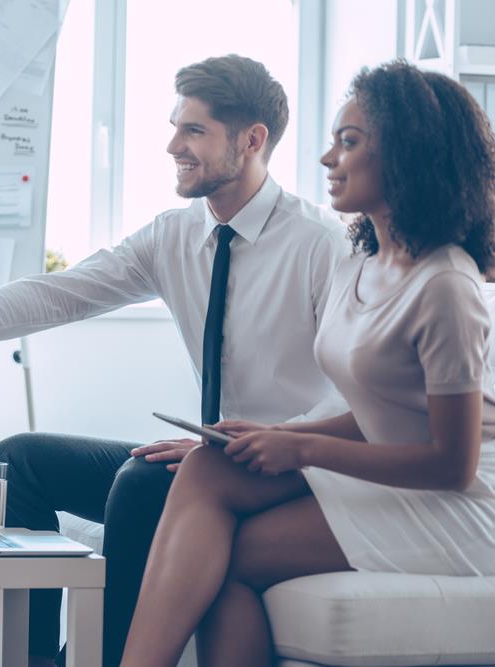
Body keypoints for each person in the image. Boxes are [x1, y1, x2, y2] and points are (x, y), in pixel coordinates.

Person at [0, 54, 349, 666]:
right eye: (173, 126)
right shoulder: (174, 235)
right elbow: (67, 291)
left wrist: (241, 447)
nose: (171, 146)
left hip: (285, 470)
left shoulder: (321, 245)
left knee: (139, 484)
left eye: (193, 131)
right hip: (209, 457)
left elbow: (352, 394)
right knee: (19, 461)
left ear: (252, 140)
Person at [120, 60, 495, 667]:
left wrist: (303, 448)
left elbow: (453, 464)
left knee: (222, 558)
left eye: (349, 143)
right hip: (388, 473)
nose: (326, 159)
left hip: (460, 506)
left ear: (407, 156)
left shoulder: (445, 284)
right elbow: (383, 412)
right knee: (209, 471)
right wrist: (281, 433)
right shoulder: (361, 260)